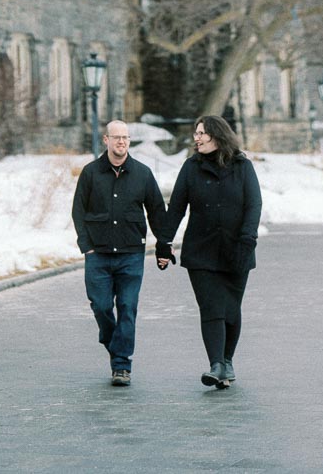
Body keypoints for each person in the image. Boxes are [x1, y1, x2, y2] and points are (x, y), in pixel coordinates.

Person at [160, 114, 261, 390]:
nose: (197, 137)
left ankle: (227, 360)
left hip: (236, 249)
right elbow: (177, 207)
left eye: (202, 133)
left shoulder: (242, 167)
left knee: (231, 309)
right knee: (211, 307)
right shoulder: (190, 168)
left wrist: (247, 240)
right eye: (196, 133)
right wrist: (164, 242)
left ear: (218, 135)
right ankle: (216, 364)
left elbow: (253, 206)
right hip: (200, 251)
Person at [72, 118, 172, 387]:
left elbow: (156, 212)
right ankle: (115, 344)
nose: (121, 142)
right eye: (116, 137)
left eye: (126, 138)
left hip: (131, 254)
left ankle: (121, 365)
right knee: (101, 306)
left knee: (127, 307)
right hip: (99, 254)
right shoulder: (91, 173)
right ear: (106, 140)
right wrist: (87, 247)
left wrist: (164, 245)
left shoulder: (142, 174)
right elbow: (78, 212)